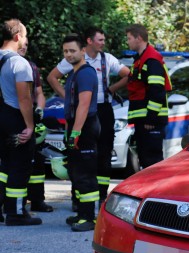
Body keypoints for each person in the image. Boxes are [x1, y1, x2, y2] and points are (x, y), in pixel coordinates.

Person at [47, 27, 129, 206]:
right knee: (78, 154)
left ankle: (100, 196)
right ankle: (79, 196)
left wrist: (112, 89)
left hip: (103, 110)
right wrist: (68, 97)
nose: (103, 42)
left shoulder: (107, 59)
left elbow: (128, 75)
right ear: (89, 42)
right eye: (100, 39)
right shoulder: (74, 58)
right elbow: (52, 77)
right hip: (83, 110)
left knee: (104, 153)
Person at [0, 18, 41, 226]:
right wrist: (30, 126)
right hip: (14, 117)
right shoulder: (19, 63)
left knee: (3, 165)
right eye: (24, 36)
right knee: (19, 165)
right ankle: (15, 213)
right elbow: (24, 98)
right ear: (17, 37)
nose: (25, 40)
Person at [60, 33, 100, 232]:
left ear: (83, 51)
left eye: (72, 50)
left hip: (85, 129)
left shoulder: (85, 73)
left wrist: (75, 134)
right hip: (76, 128)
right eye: (66, 51)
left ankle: (89, 217)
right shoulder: (74, 73)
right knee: (76, 173)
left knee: (85, 174)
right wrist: (69, 133)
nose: (68, 54)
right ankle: (82, 214)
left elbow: (83, 105)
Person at [125, 24, 171, 168]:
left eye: (129, 38)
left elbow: (157, 91)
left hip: (151, 121)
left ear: (138, 38)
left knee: (152, 163)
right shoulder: (141, 58)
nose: (127, 42)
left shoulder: (151, 60)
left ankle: (157, 191)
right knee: (146, 162)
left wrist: (151, 117)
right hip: (144, 121)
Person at [19, 40, 53, 213]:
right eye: (21, 44)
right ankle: (17, 202)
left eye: (26, 44)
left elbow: (39, 94)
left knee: (37, 162)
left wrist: (39, 109)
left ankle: (37, 200)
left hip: (32, 118)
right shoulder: (6, 65)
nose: (24, 47)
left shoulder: (32, 67)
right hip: (14, 117)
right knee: (15, 162)